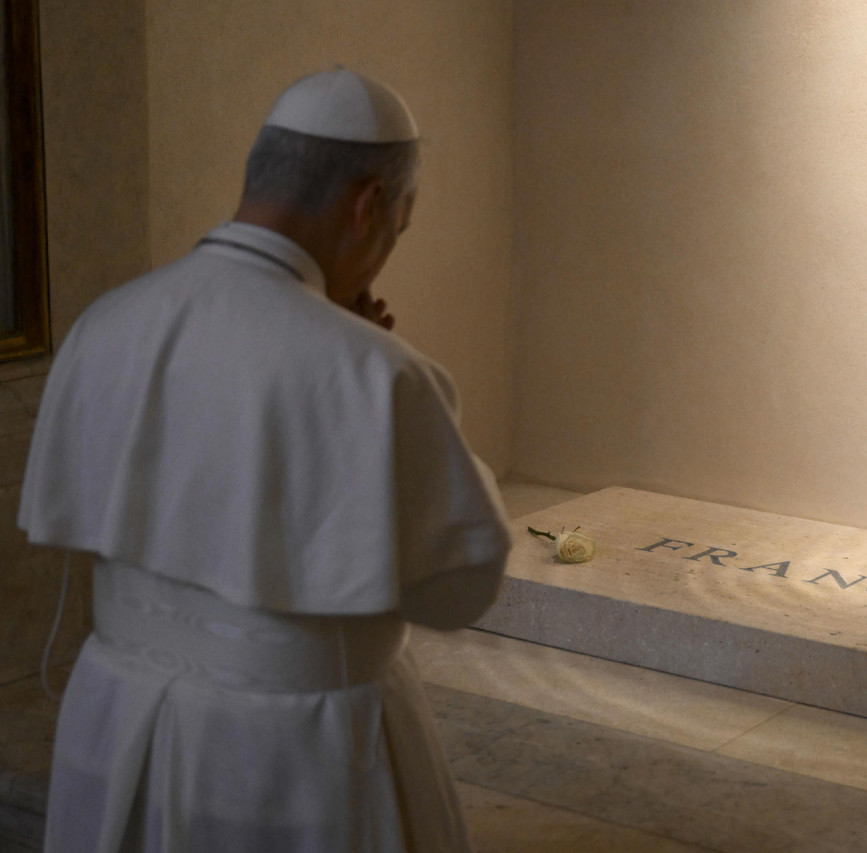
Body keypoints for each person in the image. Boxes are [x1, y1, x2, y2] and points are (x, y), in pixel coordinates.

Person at [17, 68, 511, 852]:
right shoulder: (378, 372)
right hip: (290, 759)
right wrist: (374, 349)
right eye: (396, 231)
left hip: (114, 723)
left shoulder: (104, 322)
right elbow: (460, 585)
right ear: (368, 205)